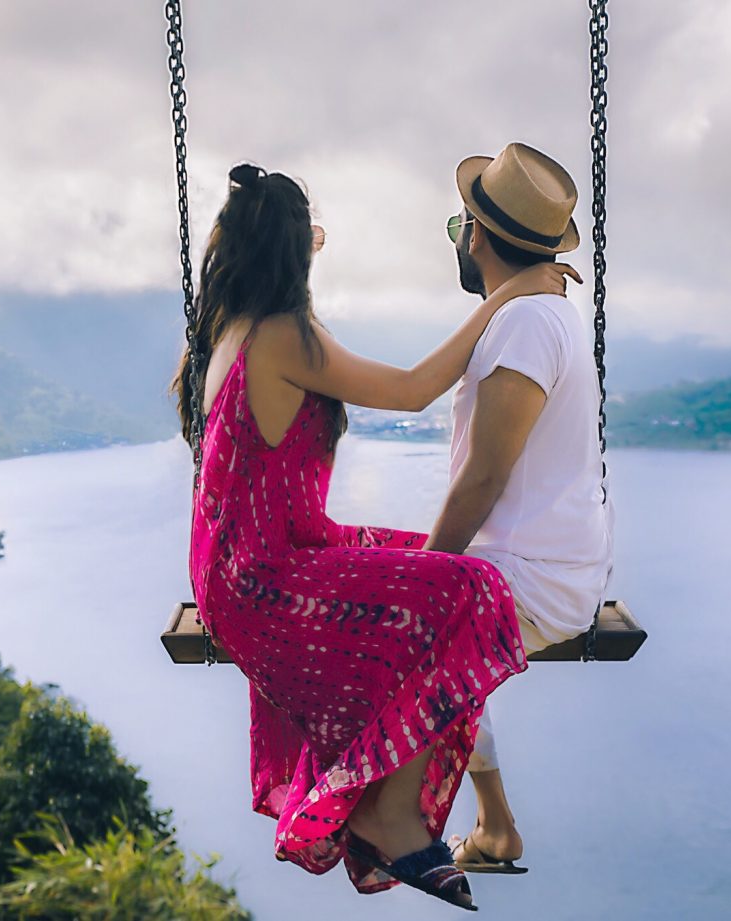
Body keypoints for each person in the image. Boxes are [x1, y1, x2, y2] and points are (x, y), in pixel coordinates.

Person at [176, 161, 580, 910]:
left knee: (428, 553)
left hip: (254, 559)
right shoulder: (276, 335)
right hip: (264, 572)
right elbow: (411, 389)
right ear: (294, 255)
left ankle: (426, 806)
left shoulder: (231, 327)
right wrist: (508, 299)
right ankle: (386, 812)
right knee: (470, 585)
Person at [422, 142, 616, 873]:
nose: (459, 240)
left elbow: (484, 477)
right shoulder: (539, 311)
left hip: (534, 578)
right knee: (381, 573)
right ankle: (491, 823)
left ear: (476, 236)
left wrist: (424, 575)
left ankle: (388, 815)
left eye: (458, 227)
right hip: (544, 561)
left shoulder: (529, 323)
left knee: (391, 619)